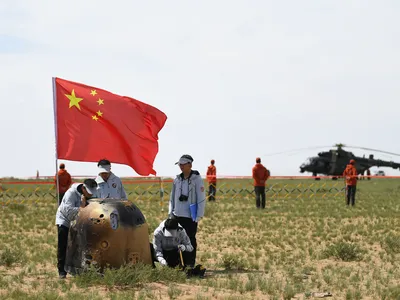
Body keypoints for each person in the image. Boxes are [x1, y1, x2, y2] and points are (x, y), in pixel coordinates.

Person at [55, 178, 98, 279]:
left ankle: (77, 269)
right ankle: (62, 271)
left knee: (79, 245)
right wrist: (82, 208)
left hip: (80, 221)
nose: (91, 195)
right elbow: (68, 212)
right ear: (83, 188)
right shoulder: (70, 193)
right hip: (64, 220)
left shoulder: (91, 194)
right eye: (89, 192)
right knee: (63, 245)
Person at [169, 154, 206, 267]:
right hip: (177, 214)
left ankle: (190, 263)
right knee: (176, 240)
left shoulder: (197, 179)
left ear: (190, 164)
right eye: (180, 164)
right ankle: (179, 263)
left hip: (190, 216)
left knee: (189, 239)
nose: (181, 166)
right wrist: (171, 212)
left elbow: (201, 198)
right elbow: (172, 197)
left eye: (183, 164)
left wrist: (199, 215)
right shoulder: (177, 179)